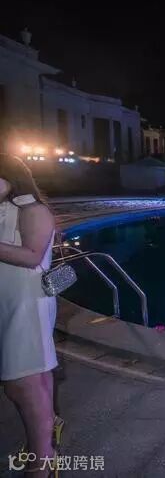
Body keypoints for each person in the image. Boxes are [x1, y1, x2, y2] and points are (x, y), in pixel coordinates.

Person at [0, 154, 60, 477]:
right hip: (10, 304)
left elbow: (32, 256)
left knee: (20, 383)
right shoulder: (8, 208)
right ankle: (45, 440)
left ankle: (42, 461)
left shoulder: (33, 209)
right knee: (35, 377)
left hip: (26, 305)